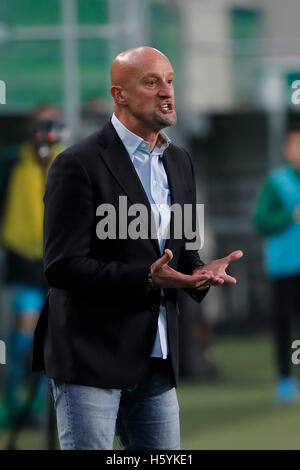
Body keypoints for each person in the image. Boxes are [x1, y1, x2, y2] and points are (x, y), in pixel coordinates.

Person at [32, 47, 243, 450]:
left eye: (170, 80)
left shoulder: (180, 161)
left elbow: (178, 258)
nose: (167, 92)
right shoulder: (76, 164)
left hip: (158, 361)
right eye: (152, 82)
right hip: (90, 357)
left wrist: (200, 273)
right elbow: (61, 266)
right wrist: (146, 277)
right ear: (119, 95)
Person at [0, 105, 64, 428]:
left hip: (57, 269)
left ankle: (39, 408)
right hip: (21, 265)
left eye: (52, 123)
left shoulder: (68, 162)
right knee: (20, 341)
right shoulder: (12, 163)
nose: (46, 130)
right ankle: (13, 406)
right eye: (41, 123)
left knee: (50, 344)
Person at [255, 125, 300, 402]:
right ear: (287, 149)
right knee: (285, 325)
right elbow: (261, 220)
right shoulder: (277, 182)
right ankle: (285, 379)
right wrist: (291, 216)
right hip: (284, 267)